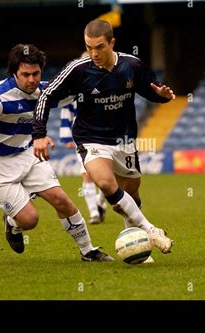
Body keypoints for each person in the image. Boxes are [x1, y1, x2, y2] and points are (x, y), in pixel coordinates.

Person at [0, 43, 113, 262]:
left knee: (62, 200)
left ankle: (88, 251)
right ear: (13, 73)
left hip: (27, 154)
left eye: (36, 74)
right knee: (30, 220)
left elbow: (76, 92)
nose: (32, 80)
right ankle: (12, 224)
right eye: (25, 74)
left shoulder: (43, 92)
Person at [33, 20, 175, 256]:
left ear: (112, 43)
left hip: (124, 140)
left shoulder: (132, 65)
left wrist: (161, 96)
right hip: (91, 138)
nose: (94, 53)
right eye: (89, 47)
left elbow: (152, 90)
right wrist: (39, 133)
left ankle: (136, 248)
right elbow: (46, 94)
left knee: (131, 193)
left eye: (99, 47)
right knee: (106, 183)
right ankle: (151, 231)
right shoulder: (77, 69)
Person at [60, 101, 107, 224]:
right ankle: (94, 213)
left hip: (103, 133)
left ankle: (99, 202)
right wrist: (66, 137)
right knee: (87, 173)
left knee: (106, 174)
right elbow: (66, 110)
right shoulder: (73, 88)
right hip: (81, 135)